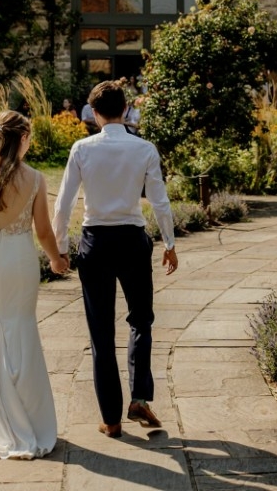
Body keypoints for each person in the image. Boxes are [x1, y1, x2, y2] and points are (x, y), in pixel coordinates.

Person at [53, 80, 178, 439]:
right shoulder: (144, 149)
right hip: (133, 241)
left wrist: (60, 248)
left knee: (101, 334)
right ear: (125, 110)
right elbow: (159, 201)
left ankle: (111, 420)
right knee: (141, 320)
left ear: (94, 114)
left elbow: (63, 204)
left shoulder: (82, 148)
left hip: (96, 243)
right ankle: (139, 397)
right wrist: (169, 242)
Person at [0, 110, 68, 459]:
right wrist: (56, 259)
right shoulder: (35, 179)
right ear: (22, 138)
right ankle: (30, 422)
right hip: (19, 260)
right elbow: (42, 230)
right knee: (21, 328)